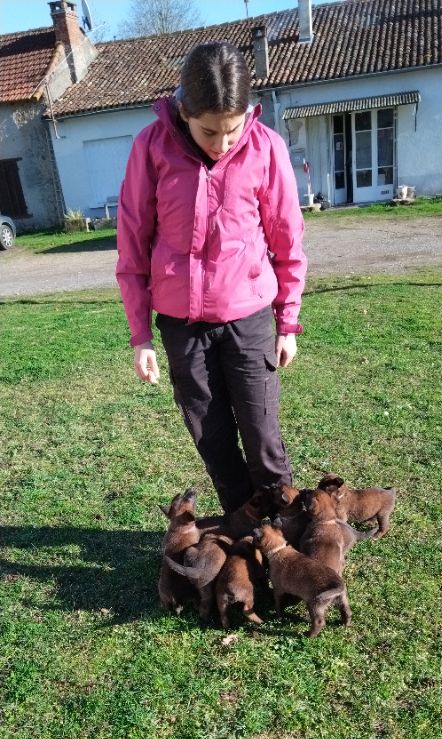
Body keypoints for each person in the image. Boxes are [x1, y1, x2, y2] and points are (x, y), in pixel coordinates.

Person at [116, 40, 307, 512]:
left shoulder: (266, 147)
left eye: (232, 130)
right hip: (182, 329)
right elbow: (133, 241)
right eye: (208, 132)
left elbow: (287, 239)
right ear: (184, 111)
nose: (221, 144)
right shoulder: (151, 147)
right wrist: (141, 336)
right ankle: (243, 532)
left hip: (249, 321)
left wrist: (287, 322)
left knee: (264, 442)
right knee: (215, 444)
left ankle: (284, 535)